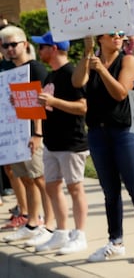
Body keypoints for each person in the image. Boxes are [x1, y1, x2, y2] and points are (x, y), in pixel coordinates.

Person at [72, 31, 134, 263]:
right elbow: (76, 82)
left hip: (124, 131)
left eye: (121, 34)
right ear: (100, 38)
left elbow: (120, 93)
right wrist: (88, 54)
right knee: (110, 192)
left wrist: (101, 70)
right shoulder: (91, 60)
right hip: (98, 132)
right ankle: (115, 241)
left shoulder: (128, 60)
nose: (118, 37)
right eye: (112, 34)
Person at [30, 32, 89, 255]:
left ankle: (79, 234)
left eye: (43, 47)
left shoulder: (71, 73)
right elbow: (47, 106)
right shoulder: (51, 76)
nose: (40, 51)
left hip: (71, 141)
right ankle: (61, 232)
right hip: (52, 141)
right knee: (52, 185)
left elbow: (83, 107)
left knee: (75, 187)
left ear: (53, 48)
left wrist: (54, 101)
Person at [0, 25, 55, 248]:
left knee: (41, 179)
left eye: (14, 44)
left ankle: (50, 225)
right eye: (6, 46)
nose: (11, 49)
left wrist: (38, 134)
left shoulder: (36, 69)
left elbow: (42, 103)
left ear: (24, 44)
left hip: (34, 134)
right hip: (15, 133)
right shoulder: (8, 72)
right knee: (25, 179)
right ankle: (32, 222)